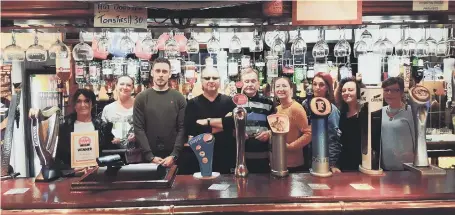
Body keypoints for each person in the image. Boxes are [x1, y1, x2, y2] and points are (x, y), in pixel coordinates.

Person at [30, 89, 105, 169]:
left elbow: (107, 154)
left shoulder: (102, 127)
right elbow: (59, 158)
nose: (83, 105)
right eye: (78, 101)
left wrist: (100, 165)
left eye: (86, 101)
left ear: (92, 104)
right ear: (75, 105)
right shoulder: (64, 128)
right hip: (72, 177)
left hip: (96, 176)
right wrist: (71, 170)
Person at [182, 67, 237, 174]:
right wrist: (222, 124)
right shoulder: (192, 104)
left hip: (226, 155)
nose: (211, 81)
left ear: (219, 81)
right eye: (207, 78)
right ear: (201, 82)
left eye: (214, 78)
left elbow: (234, 123)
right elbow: (192, 129)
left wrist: (207, 122)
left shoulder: (229, 102)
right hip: (200, 155)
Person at [133, 57, 187, 167]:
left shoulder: (179, 98)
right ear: (152, 73)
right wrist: (149, 156)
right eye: (157, 71)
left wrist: (174, 155)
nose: (161, 75)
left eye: (164, 71)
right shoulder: (141, 98)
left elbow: (183, 128)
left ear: (170, 74)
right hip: (148, 159)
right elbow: (139, 129)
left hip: (174, 159)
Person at [224, 68, 274, 173]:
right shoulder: (233, 103)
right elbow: (227, 128)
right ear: (241, 83)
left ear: (258, 83)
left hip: (263, 157)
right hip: (239, 157)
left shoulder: (268, 103)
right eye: (246, 81)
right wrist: (237, 133)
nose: (250, 84)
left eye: (253, 81)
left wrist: (269, 133)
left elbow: (274, 128)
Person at [302, 72, 341, 173]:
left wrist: (332, 163)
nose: (317, 87)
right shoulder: (305, 104)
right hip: (305, 156)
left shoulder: (332, 109)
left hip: (323, 159)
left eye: (321, 84)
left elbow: (334, 139)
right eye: (314, 84)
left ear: (328, 87)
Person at [275, 77, 312, 172]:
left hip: (294, 164)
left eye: (284, 86)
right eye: (277, 86)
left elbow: (309, 134)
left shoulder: (296, 108)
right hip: (278, 161)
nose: (281, 89)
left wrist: (290, 147)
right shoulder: (277, 109)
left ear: (291, 89)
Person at [381, 77, 415, 171]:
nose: (389, 93)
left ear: (401, 92)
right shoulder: (380, 112)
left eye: (394, 90)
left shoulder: (411, 112)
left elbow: (418, 138)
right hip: (385, 168)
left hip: (407, 168)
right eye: (386, 90)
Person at [336, 77, 365, 171]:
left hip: (364, 162)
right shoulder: (342, 114)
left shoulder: (366, 113)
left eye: (350, 90)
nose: (346, 93)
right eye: (343, 91)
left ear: (359, 91)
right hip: (345, 163)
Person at [101, 76, 135, 150]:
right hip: (113, 153)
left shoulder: (140, 107)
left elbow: (148, 129)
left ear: (133, 88)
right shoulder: (108, 109)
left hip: (136, 154)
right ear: (116, 86)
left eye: (128, 85)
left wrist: (137, 136)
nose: (125, 87)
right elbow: (103, 133)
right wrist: (111, 138)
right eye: (122, 84)